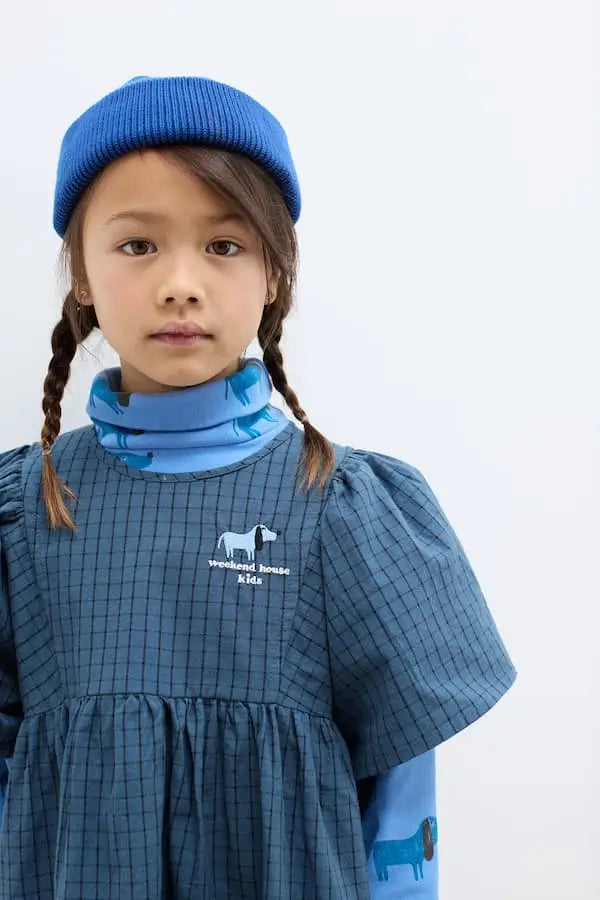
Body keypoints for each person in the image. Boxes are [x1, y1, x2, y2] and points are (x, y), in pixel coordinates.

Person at [0, 74, 517, 899]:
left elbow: (401, 800)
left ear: (276, 273)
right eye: (138, 245)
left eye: (224, 245)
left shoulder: (346, 506)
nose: (180, 282)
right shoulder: (26, 511)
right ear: (83, 277)